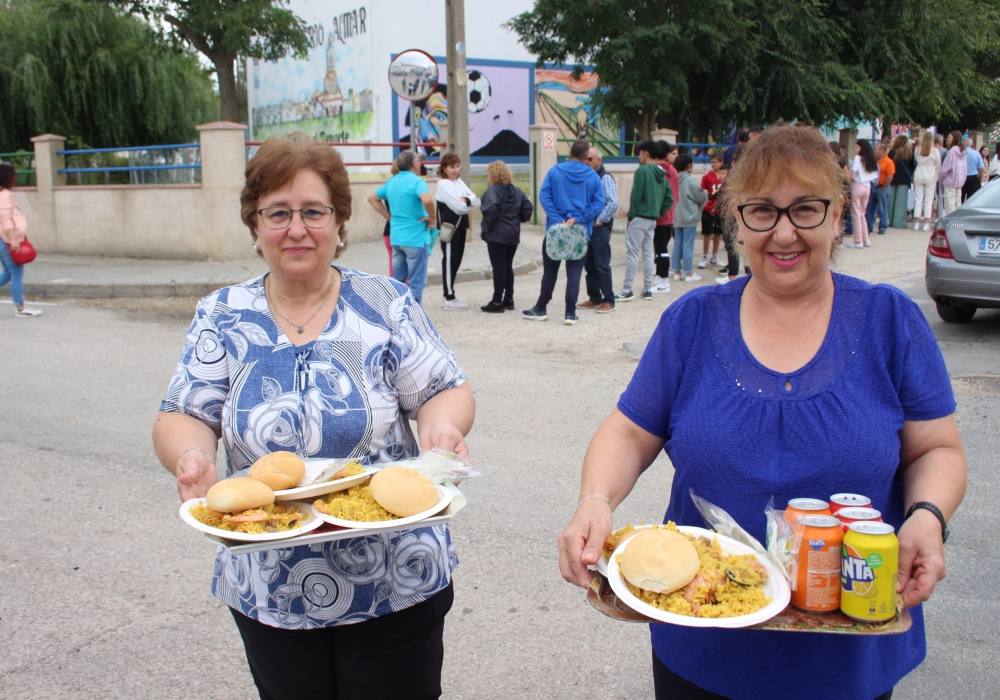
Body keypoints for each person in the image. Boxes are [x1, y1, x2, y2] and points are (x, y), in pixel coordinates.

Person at [557, 124, 967, 700]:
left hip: (847, 646)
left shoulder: (889, 321)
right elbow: (629, 430)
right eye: (761, 212)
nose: (783, 233)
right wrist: (594, 502)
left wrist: (927, 515)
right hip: (704, 643)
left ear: (837, 215)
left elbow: (937, 448)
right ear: (736, 221)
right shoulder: (693, 320)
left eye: (805, 209)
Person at [154, 139, 475, 699]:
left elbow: (444, 390)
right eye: (278, 213)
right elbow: (184, 412)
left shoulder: (386, 302)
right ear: (255, 225)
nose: (296, 228)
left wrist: (441, 429)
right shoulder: (223, 314)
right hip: (270, 584)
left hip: (395, 576)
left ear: (340, 221)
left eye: (313, 211)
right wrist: (192, 455)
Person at [523, 138, 604, 325]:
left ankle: (541, 307)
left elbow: (544, 195)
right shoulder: (593, 177)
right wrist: (580, 217)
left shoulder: (555, 171)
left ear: (570, 153)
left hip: (555, 229)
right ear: (586, 157)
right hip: (580, 230)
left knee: (550, 271)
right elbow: (599, 203)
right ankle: (570, 312)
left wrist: (557, 218)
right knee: (574, 273)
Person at [368, 150, 436, 303]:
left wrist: (389, 217)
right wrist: (432, 217)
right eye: (418, 161)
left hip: (397, 237)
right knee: (415, 283)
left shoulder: (392, 182)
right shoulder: (418, 182)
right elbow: (426, 199)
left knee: (397, 282)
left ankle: (395, 315)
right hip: (416, 238)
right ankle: (413, 318)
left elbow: (372, 198)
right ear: (413, 164)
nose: (419, 163)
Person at [617, 141, 672, 301]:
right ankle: (648, 289)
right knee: (648, 253)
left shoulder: (642, 171)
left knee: (632, 253)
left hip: (639, 217)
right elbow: (669, 199)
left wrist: (631, 215)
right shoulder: (662, 173)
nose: (638, 156)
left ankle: (627, 290)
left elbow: (636, 196)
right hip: (652, 219)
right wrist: (658, 212)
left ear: (645, 153)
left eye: (640, 153)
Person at [479, 160, 533, 313]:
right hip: (513, 234)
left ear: (491, 175)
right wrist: (518, 219)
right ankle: (509, 299)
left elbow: (490, 210)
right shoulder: (517, 191)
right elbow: (528, 208)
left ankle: (497, 301)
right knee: (507, 267)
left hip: (496, 235)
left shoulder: (492, 191)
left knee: (499, 268)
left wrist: (486, 228)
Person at [435, 152, 479, 310]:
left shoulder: (459, 182)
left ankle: (451, 294)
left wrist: (466, 199)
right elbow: (459, 207)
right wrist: (467, 201)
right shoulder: (443, 184)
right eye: (451, 167)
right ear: (444, 169)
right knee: (449, 261)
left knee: (456, 261)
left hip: (460, 228)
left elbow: (474, 197)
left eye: (457, 166)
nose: (455, 170)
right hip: (450, 229)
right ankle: (448, 297)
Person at [578, 148, 618, 312]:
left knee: (601, 264)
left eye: (590, 159)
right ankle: (594, 297)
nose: (586, 162)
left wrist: (600, 220)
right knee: (590, 265)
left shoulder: (605, 177)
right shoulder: (588, 177)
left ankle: (609, 300)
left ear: (599, 161)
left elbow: (613, 203)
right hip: (588, 227)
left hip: (600, 228)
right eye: (585, 159)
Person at [0, 163, 41, 318]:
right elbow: (5, 220)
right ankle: (20, 308)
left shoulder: (4, 194)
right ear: (6, 177)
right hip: (7, 241)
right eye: (13, 174)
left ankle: (20, 307)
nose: (15, 178)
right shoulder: (4, 196)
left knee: (8, 274)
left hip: (4, 240)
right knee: (16, 273)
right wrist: (13, 241)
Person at [670, 154, 708, 282]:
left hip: (676, 217)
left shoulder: (673, 179)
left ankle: (676, 271)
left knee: (677, 244)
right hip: (689, 217)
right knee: (687, 245)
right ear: (689, 165)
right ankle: (688, 273)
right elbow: (701, 197)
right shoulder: (690, 180)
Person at [652, 141, 679, 294]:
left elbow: (664, 196)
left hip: (663, 216)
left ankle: (663, 282)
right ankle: (659, 277)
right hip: (668, 216)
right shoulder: (672, 170)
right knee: (659, 248)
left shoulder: (662, 171)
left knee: (662, 249)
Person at [849, 140, 879, 248]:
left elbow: (852, 175)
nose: (855, 149)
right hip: (868, 187)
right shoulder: (871, 159)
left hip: (857, 186)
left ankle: (858, 241)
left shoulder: (857, 158)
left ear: (862, 148)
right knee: (862, 214)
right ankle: (866, 239)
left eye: (857, 147)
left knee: (856, 214)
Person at [698, 155, 724, 269]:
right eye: (712, 162)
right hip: (708, 208)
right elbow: (702, 190)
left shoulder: (725, 176)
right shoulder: (707, 177)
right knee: (707, 234)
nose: (713, 164)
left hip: (721, 209)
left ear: (721, 162)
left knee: (718, 233)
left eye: (715, 162)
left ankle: (714, 256)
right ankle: (704, 256)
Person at [912, 131, 941, 231]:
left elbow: (916, 160)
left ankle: (916, 223)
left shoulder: (917, 150)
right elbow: (938, 165)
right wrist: (936, 177)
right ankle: (926, 224)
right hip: (930, 175)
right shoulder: (935, 151)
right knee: (928, 200)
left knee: (918, 198)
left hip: (919, 174)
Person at [866, 143, 894, 235]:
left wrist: (884, 187)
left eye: (876, 150)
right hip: (873, 186)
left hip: (882, 187)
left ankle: (883, 226)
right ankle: (868, 226)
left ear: (882, 150)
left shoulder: (888, 162)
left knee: (882, 208)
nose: (875, 151)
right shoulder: (875, 161)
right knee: (870, 208)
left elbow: (890, 176)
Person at [888, 135, 914, 229]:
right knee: (901, 202)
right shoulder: (909, 153)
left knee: (891, 201)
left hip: (893, 178)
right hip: (904, 179)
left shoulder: (891, 152)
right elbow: (912, 166)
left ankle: (889, 220)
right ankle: (898, 223)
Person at [939, 130, 967, 216]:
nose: (947, 139)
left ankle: (950, 224)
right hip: (959, 183)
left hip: (950, 181)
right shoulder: (963, 152)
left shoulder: (952, 152)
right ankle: (957, 223)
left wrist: (940, 179)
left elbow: (945, 168)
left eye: (949, 137)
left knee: (949, 204)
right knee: (957, 204)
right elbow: (965, 168)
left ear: (954, 139)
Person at [961, 137, 986, 202]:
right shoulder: (976, 153)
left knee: (960, 198)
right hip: (973, 178)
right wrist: (980, 178)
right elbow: (981, 168)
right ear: (972, 145)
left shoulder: (960, 153)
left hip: (961, 177)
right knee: (972, 200)